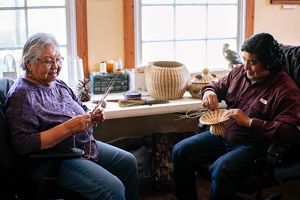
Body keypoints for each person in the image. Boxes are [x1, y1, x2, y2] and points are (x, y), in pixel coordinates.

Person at [4, 33, 139, 200]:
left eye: (58, 59)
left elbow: (80, 108)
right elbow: (23, 144)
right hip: (53, 160)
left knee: (128, 162)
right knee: (112, 188)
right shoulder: (21, 95)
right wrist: (70, 127)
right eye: (48, 61)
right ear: (29, 63)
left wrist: (91, 117)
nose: (55, 66)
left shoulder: (58, 84)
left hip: (81, 147)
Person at [172, 32, 300, 200]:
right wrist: (209, 93)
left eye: (252, 62)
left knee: (221, 168)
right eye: (244, 59)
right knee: (180, 150)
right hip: (224, 134)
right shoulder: (240, 72)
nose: (245, 67)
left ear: (269, 63)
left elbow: (291, 131)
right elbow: (216, 85)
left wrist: (249, 122)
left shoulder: (285, 91)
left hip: (254, 146)